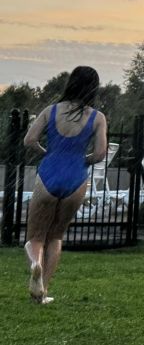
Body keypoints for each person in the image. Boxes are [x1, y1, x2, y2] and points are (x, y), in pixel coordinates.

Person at [22, 66, 108, 304]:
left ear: (71, 83)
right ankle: (43, 291)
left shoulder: (51, 111)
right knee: (56, 236)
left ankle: (35, 264)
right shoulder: (97, 118)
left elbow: (29, 140)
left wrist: (47, 152)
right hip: (76, 177)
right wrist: (82, 160)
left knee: (35, 236)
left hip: (49, 173)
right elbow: (100, 154)